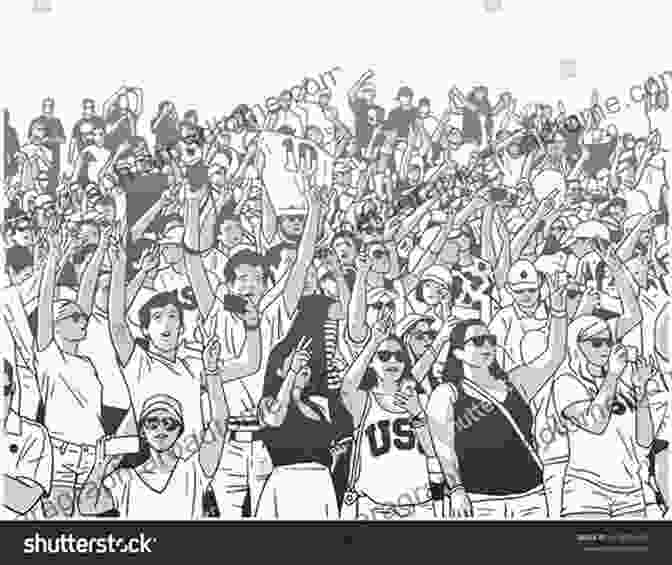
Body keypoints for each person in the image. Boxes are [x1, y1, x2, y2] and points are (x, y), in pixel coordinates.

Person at [425, 273, 568, 519]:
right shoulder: (446, 394)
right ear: (458, 352)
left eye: (490, 340)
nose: (487, 346)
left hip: (531, 496)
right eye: (478, 341)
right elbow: (444, 448)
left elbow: (554, 356)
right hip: (480, 501)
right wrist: (457, 490)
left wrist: (557, 310)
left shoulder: (515, 382)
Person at [340, 306, 444, 520]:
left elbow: (436, 452)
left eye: (398, 356)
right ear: (372, 363)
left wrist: (418, 416)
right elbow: (347, 386)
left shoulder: (419, 399)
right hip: (374, 508)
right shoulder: (364, 401)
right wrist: (374, 341)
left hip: (420, 505)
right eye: (384, 356)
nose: (392, 361)